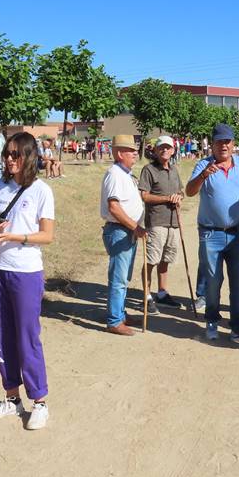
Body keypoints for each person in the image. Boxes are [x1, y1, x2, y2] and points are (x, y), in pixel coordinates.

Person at [0, 132, 55, 430]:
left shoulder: (41, 191)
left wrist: (15, 236)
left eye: (15, 154)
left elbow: (47, 235)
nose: (9, 160)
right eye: (7, 154)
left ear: (29, 157)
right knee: (1, 336)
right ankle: (12, 398)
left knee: (27, 337)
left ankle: (39, 401)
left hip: (26, 272)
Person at [185, 123, 239, 345]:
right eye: (219, 142)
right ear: (212, 145)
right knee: (213, 281)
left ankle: (238, 327)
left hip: (237, 234)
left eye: (227, 141)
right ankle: (212, 320)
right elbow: (189, 191)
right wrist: (203, 176)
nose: (223, 146)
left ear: (233, 144)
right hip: (211, 234)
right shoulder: (203, 165)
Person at [100, 134, 146, 335]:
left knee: (124, 276)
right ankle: (114, 321)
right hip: (120, 230)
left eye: (135, 150)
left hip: (127, 230)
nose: (135, 153)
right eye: (130, 150)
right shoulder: (115, 174)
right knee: (118, 278)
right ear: (120, 154)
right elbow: (114, 207)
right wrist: (134, 226)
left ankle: (119, 313)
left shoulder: (125, 173)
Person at [138, 135, 185, 314]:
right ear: (155, 151)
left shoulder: (173, 170)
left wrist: (178, 197)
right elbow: (144, 196)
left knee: (166, 259)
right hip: (156, 222)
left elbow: (180, 191)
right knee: (151, 260)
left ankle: (162, 293)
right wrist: (166, 198)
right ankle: (146, 296)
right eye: (161, 148)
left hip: (173, 222)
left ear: (173, 150)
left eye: (168, 147)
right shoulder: (148, 170)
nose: (165, 150)